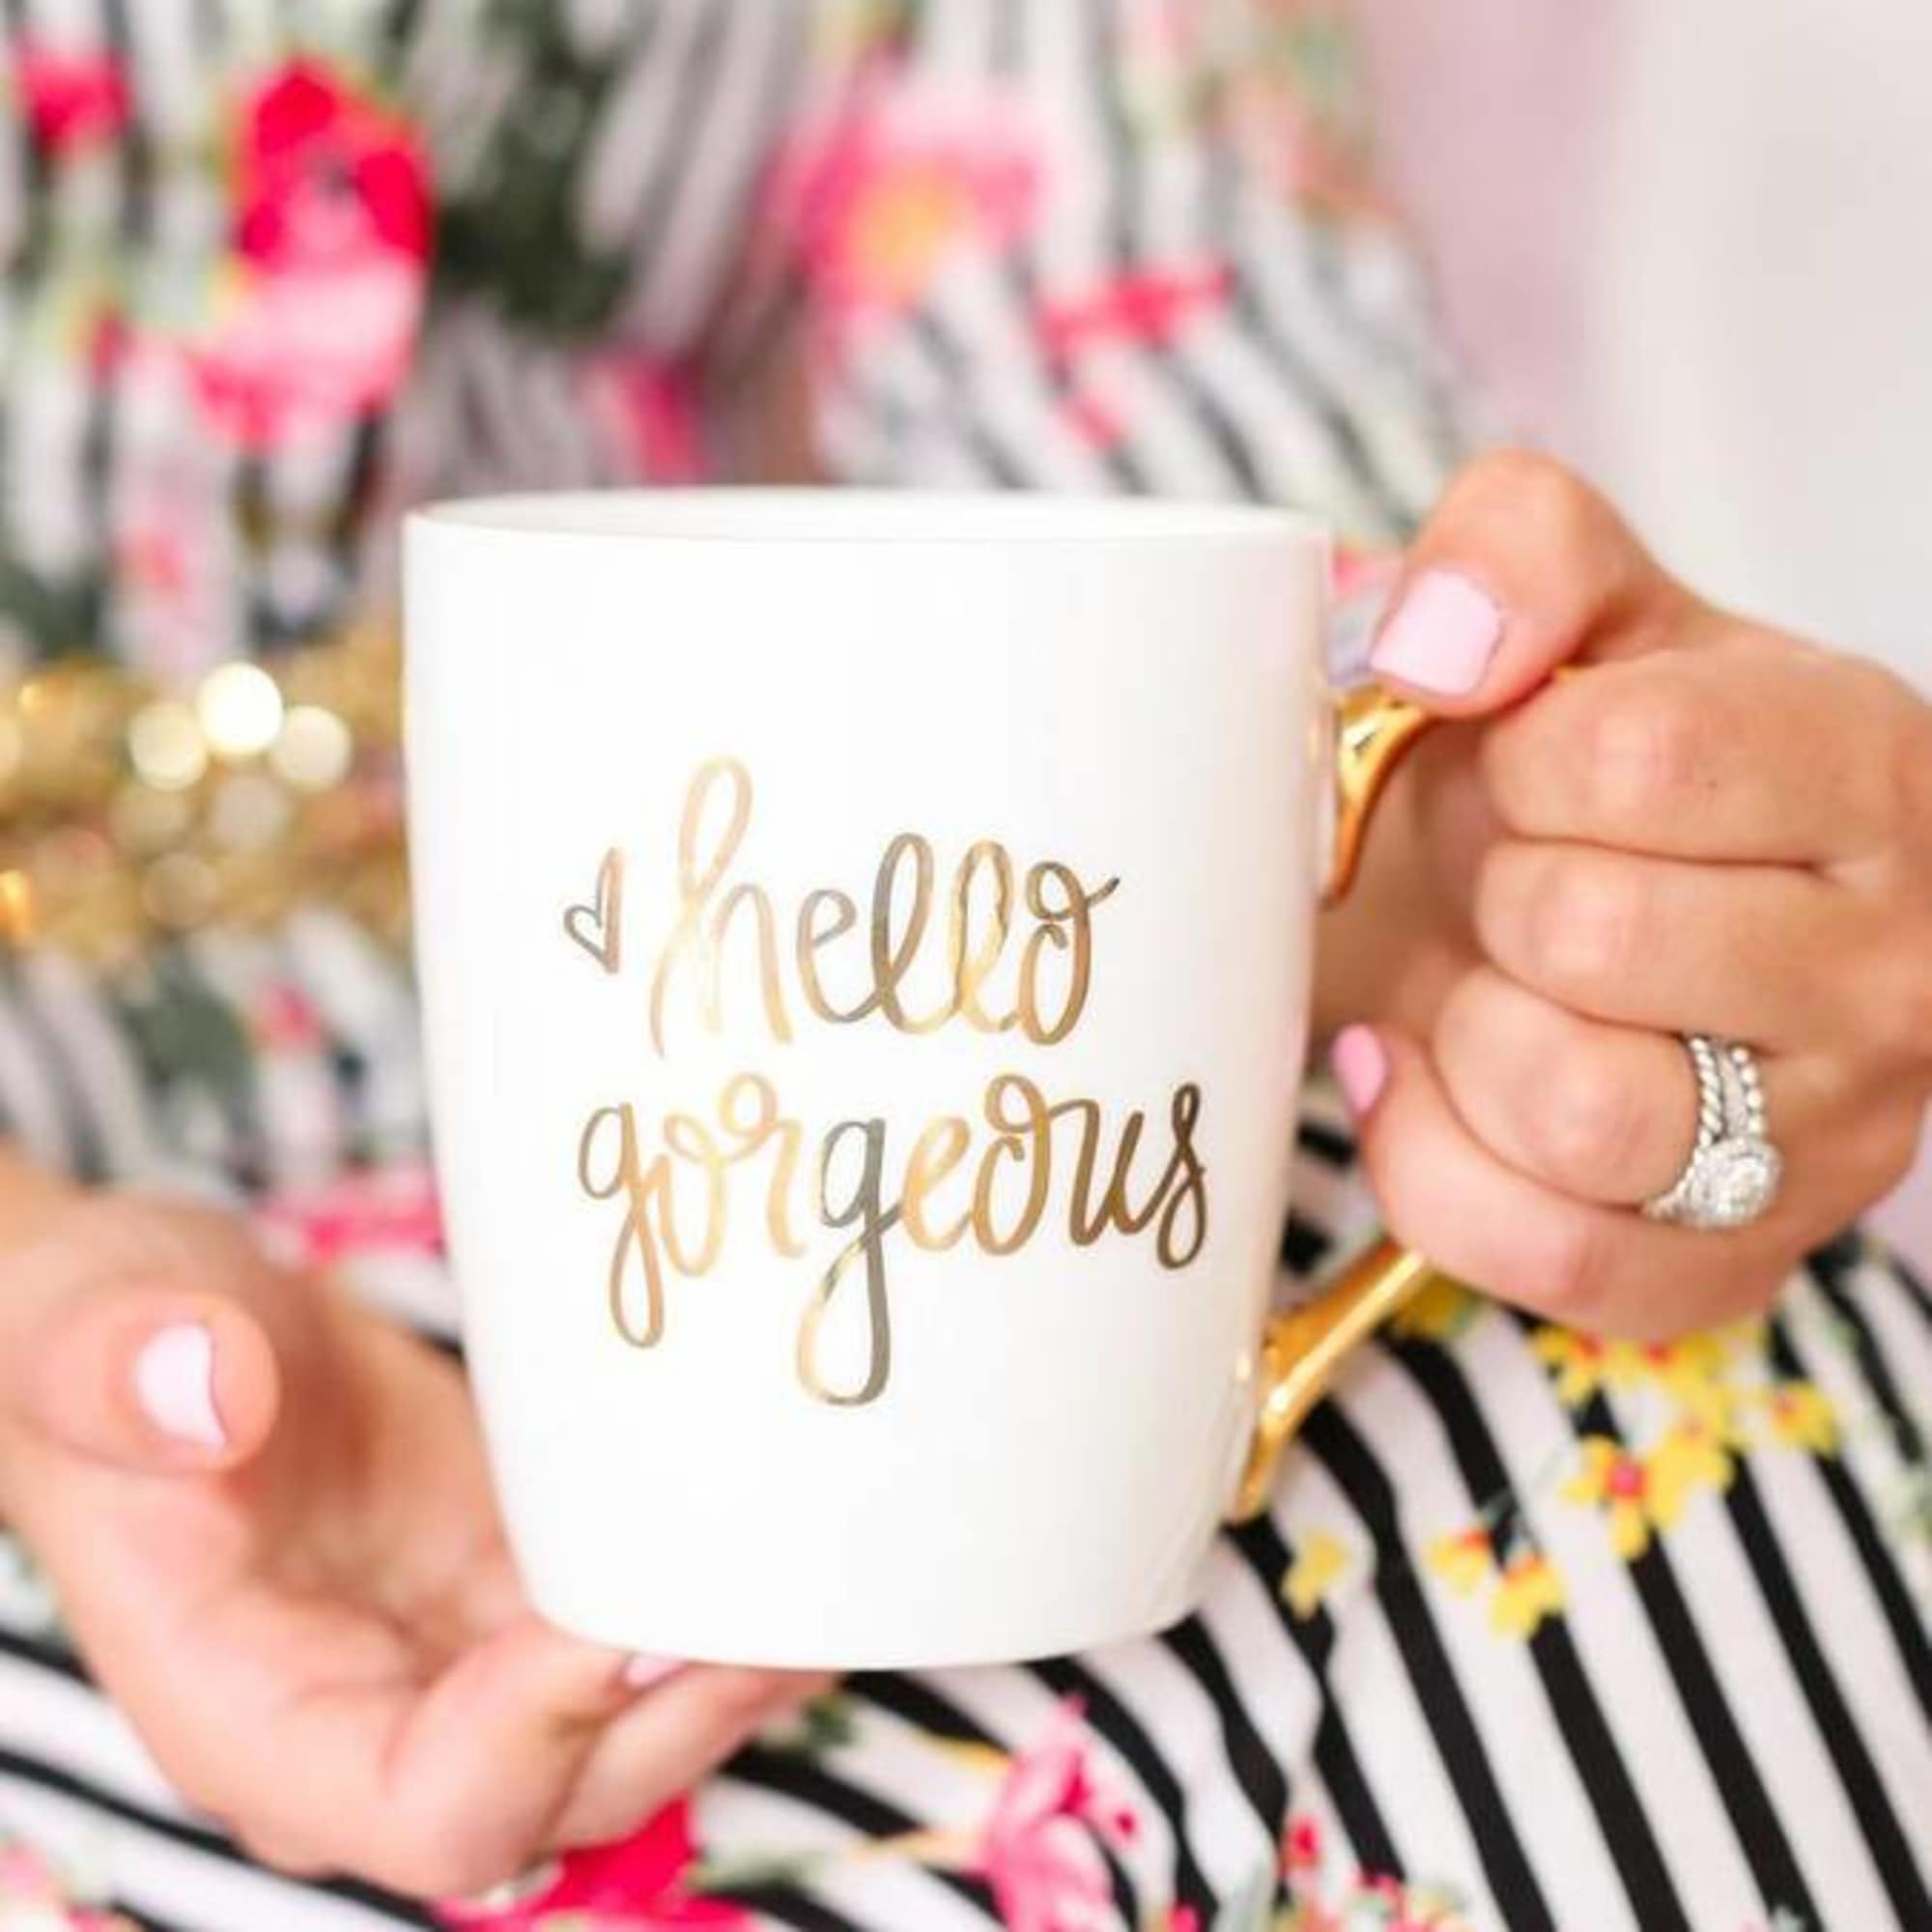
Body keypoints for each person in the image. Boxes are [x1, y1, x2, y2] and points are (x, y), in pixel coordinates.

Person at [0, 4, 1927, 1929]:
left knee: (1676, 1423)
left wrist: (1534, 857)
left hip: (744, 1018)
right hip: (100, 1295)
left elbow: (1132, 288)